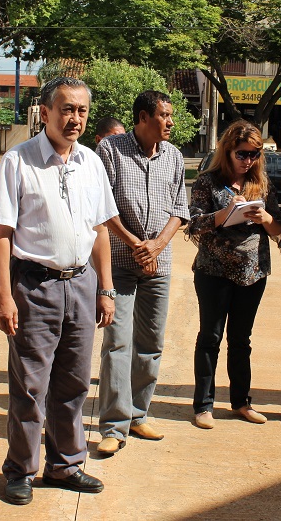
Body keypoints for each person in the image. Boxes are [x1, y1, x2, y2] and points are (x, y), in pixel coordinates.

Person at [0, 77, 118, 506]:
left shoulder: (92, 162)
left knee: (74, 384)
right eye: (66, 109)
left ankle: (65, 464)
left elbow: (100, 229)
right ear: (44, 112)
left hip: (81, 285)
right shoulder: (18, 161)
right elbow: (3, 233)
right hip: (34, 286)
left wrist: (107, 288)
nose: (75, 118)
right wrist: (4, 295)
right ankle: (21, 471)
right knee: (30, 386)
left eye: (82, 110)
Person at [94, 91, 190, 455]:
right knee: (117, 342)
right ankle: (114, 426)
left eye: (170, 115)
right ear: (142, 118)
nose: (170, 122)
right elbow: (102, 206)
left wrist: (157, 246)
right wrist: (137, 244)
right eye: (164, 115)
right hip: (119, 263)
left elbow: (180, 208)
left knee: (151, 344)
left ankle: (138, 414)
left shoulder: (175, 156)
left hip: (158, 266)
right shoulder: (112, 151)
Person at [186, 120, 281, 430]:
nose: (248, 161)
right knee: (210, 337)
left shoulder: (262, 184)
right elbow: (194, 224)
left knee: (241, 340)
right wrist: (226, 213)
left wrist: (265, 216)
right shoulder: (208, 182)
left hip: (252, 273)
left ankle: (241, 402)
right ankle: (203, 406)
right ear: (227, 151)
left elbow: (279, 230)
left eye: (254, 154)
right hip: (213, 272)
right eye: (242, 154)